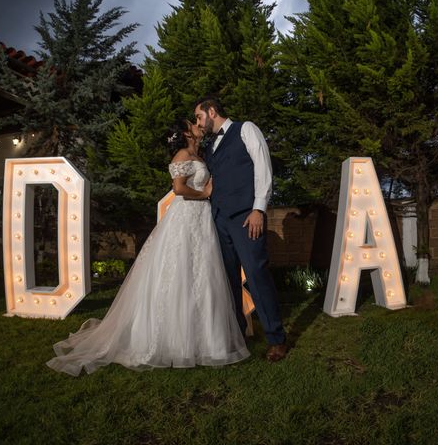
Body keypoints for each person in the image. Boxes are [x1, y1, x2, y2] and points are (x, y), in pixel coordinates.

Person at [47, 119, 249, 375]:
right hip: (186, 218)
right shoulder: (182, 155)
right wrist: (205, 195)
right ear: (186, 133)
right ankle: (172, 339)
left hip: (200, 221)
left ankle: (205, 339)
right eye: (193, 123)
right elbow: (178, 189)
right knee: (180, 273)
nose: (199, 125)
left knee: (200, 274)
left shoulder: (198, 154)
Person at [194, 96, 288, 362]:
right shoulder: (211, 146)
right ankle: (237, 337)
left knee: (257, 275)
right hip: (219, 220)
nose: (199, 123)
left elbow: (263, 168)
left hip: (247, 218)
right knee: (229, 281)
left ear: (212, 111)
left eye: (200, 117)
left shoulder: (246, 129)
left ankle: (276, 338)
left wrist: (258, 209)